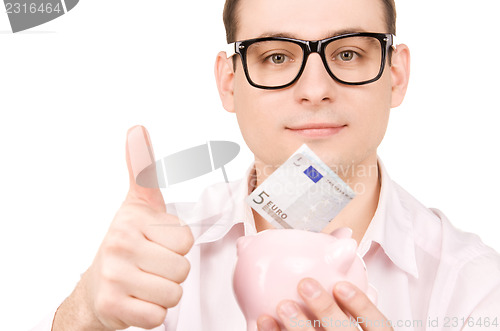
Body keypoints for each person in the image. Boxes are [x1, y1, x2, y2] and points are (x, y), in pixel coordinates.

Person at [32, 0, 500, 330]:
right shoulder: (157, 259)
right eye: (276, 56)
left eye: (348, 53)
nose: (315, 89)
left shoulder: (473, 288)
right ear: (229, 82)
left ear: (395, 76)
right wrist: (84, 316)